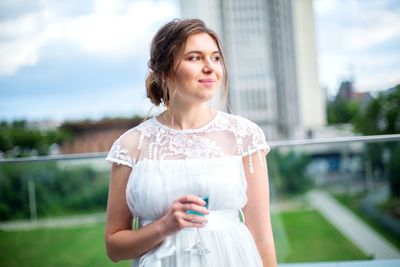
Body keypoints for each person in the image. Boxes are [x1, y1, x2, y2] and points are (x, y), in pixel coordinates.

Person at [105, 18, 277, 267]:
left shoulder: (244, 136)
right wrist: (165, 226)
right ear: (164, 71)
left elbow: (262, 238)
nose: (210, 67)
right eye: (195, 58)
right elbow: (114, 248)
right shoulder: (131, 145)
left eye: (215, 58)